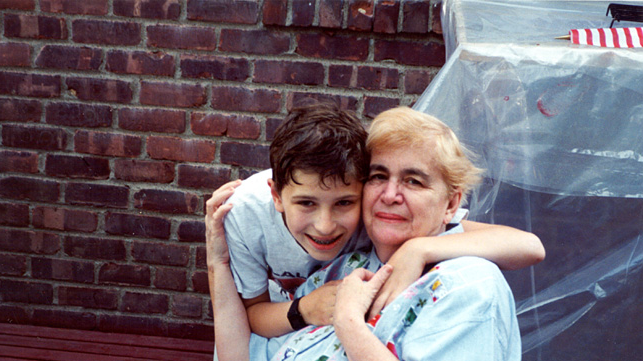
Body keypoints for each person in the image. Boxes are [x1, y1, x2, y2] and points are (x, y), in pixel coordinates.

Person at [65, 106, 527, 361]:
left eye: (413, 180)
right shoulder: (357, 262)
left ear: (452, 203)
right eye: (379, 177)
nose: (390, 193)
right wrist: (219, 262)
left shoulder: (469, 287)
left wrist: (349, 323)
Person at [224, 103, 543, 339]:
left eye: (344, 203)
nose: (325, 225)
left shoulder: (378, 214)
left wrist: (417, 249)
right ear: (277, 196)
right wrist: (304, 308)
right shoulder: (246, 214)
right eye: (306, 204)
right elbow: (253, 314)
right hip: (286, 324)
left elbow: (527, 245)